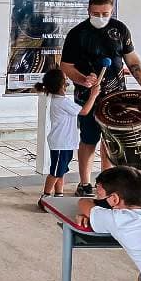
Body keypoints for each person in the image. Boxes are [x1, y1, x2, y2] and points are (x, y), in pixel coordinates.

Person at [60, 0, 141, 197]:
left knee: (112, 142)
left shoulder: (120, 30)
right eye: (95, 13)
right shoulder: (77, 34)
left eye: (105, 13)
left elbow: (132, 60)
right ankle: (85, 183)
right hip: (88, 98)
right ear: (88, 11)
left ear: (112, 11)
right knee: (89, 139)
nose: (100, 17)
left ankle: (107, 184)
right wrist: (83, 79)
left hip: (117, 98)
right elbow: (65, 65)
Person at [34, 68, 101, 209]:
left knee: (62, 170)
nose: (68, 81)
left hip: (64, 143)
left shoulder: (60, 100)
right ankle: (45, 197)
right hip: (60, 143)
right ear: (61, 85)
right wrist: (93, 95)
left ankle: (59, 194)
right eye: (65, 79)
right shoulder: (63, 102)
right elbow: (84, 111)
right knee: (56, 172)